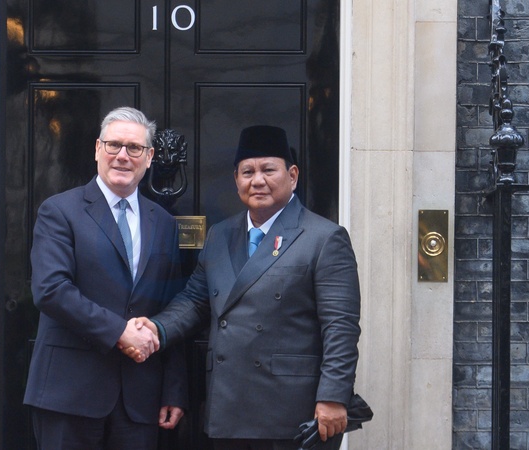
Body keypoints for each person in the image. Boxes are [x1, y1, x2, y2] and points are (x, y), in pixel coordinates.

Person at [128, 125, 361, 450]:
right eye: (247, 172)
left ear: (292, 175)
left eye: (268, 170)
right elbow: (195, 301)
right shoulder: (220, 235)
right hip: (229, 407)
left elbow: (341, 326)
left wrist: (334, 396)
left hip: (293, 412)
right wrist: (156, 328)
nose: (257, 180)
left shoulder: (324, 238)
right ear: (236, 179)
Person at [24, 106, 187, 450]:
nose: (122, 156)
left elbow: (173, 306)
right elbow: (51, 290)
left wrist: (174, 389)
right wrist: (119, 332)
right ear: (98, 149)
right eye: (114, 145)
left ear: (150, 157)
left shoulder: (164, 223)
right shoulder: (60, 211)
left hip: (139, 400)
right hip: (69, 394)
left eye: (135, 148)